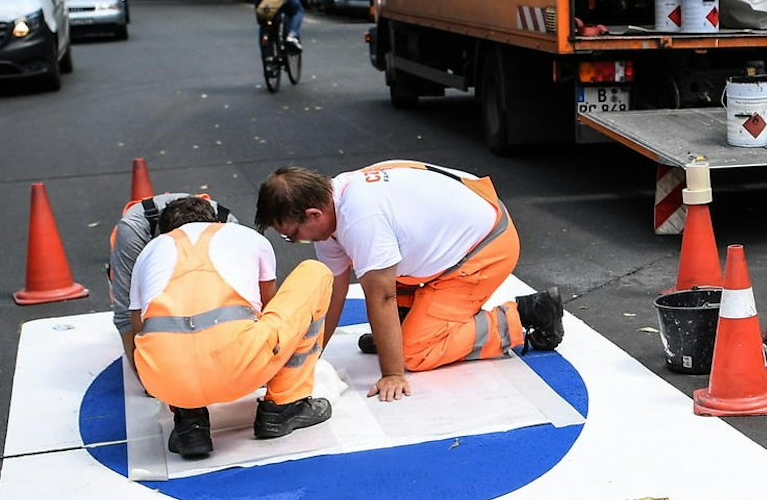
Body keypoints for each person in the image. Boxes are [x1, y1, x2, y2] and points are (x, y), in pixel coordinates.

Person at [255, 162, 564, 403]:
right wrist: (309, 357)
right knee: (374, 267)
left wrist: (393, 373)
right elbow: (333, 293)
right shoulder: (330, 204)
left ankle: (526, 315)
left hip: (484, 248)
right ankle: (402, 329)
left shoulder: (361, 219)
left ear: (312, 214)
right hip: (459, 232)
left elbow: (382, 297)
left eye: (292, 235)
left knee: (415, 352)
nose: (293, 241)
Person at [128, 197, 334, 458]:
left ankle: (190, 422)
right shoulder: (246, 236)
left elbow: (140, 332)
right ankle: (284, 405)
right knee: (315, 272)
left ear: (166, 231)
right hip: (239, 367)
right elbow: (267, 309)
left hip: (166, 381)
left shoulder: (148, 253)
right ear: (217, 222)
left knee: (166, 335)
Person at [109, 192, 239, 374]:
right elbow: (125, 314)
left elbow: (244, 300)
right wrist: (144, 376)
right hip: (139, 250)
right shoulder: (133, 233)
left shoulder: (228, 228)